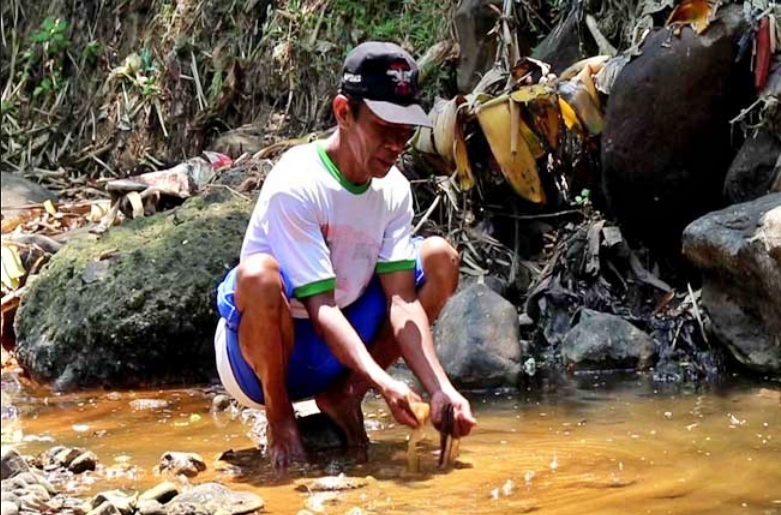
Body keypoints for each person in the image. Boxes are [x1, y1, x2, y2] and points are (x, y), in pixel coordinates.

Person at [213, 41, 476, 469]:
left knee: (439, 258)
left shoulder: (394, 190)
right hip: (266, 355)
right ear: (343, 112)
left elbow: (402, 300)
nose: (396, 145)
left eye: (405, 132)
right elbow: (320, 308)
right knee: (257, 275)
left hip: (340, 342)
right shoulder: (298, 183)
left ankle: (344, 395)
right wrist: (385, 381)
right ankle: (279, 416)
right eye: (384, 128)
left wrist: (440, 389)